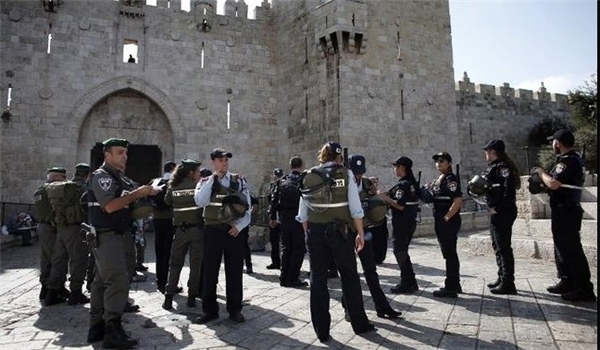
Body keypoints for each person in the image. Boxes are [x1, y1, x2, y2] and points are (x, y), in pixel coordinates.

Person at [296, 141, 375, 342]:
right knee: (349, 276)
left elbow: (303, 213)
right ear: (339, 157)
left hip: (316, 232)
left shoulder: (309, 175)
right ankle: (359, 323)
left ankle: (322, 331)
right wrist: (359, 232)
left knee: (318, 280)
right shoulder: (346, 174)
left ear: (322, 155)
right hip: (341, 232)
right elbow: (355, 208)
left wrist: (309, 233)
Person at [86, 138, 160, 349]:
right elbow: (109, 206)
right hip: (106, 235)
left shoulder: (120, 178)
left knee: (101, 282)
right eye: (119, 152)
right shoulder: (102, 177)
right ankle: (112, 330)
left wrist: (149, 191)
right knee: (117, 281)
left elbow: (132, 195)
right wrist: (138, 193)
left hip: (117, 234)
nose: (124, 156)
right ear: (107, 154)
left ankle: (97, 326)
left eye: (126, 153)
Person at [531, 129, 596, 302]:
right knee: (561, 247)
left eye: (553, 142)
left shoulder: (568, 161)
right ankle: (567, 280)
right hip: (563, 209)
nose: (552, 144)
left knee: (571, 249)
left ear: (558, 143)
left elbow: (553, 183)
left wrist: (540, 172)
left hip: (566, 210)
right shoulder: (572, 160)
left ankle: (584, 288)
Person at [193, 148, 251, 324]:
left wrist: (238, 226)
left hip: (232, 232)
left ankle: (235, 310)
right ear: (213, 162)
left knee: (234, 272)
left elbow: (248, 208)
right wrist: (212, 180)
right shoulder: (205, 181)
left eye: (226, 160)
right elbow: (200, 201)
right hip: (212, 231)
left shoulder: (239, 181)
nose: (224, 163)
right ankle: (210, 310)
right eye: (220, 160)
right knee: (210, 271)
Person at [345, 154, 401, 319]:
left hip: (365, 231)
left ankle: (382, 306)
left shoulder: (367, 184)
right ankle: (348, 308)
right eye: (355, 172)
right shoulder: (343, 185)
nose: (358, 176)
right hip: (348, 232)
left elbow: (376, 204)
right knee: (349, 273)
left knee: (371, 270)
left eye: (360, 172)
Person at [44, 163, 92, 306]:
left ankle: (52, 292)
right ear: (87, 174)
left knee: (59, 259)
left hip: (61, 227)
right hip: (77, 228)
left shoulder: (63, 187)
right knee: (79, 260)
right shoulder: (83, 188)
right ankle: (76, 292)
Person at [162, 159, 206, 310]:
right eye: (197, 171)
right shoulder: (198, 186)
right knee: (195, 265)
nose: (199, 174)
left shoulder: (173, 186)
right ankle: (192, 297)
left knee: (175, 264)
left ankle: (168, 297)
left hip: (180, 231)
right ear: (191, 172)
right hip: (196, 231)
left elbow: (167, 201)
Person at [478, 140, 520, 295]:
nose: (485, 154)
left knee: (503, 248)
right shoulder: (494, 168)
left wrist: (497, 208)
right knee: (497, 246)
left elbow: (508, 192)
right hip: (497, 212)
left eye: (486, 151)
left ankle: (509, 283)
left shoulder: (503, 168)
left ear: (492, 151)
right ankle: (502, 277)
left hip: (503, 212)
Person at [378, 156, 420, 294]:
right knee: (403, 251)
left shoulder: (403, 185)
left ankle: (406, 282)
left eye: (396, 166)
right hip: (410, 221)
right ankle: (411, 281)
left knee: (399, 251)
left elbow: (400, 205)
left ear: (402, 168)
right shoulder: (411, 183)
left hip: (402, 221)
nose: (394, 169)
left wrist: (385, 198)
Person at [426, 152, 463, 298]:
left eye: (442, 161)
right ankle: (455, 283)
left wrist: (447, 217)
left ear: (449, 163)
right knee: (448, 253)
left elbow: (458, 200)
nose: (438, 163)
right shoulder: (440, 179)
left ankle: (451, 286)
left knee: (450, 254)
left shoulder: (450, 179)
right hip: (441, 219)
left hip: (447, 220)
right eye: (436, 161)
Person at [269, 156, 308, 287]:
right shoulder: (304, 179)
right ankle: (292, 277)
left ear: (290, 166)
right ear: (301, 165)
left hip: (284, 218)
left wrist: (272, 217)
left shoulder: (282, 181)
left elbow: (273, 200)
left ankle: (283, 277)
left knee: (286, 247)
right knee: (299, 248)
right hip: (299, 217)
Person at [33, 167, 68, 300]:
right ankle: (53, 288)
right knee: (58, 258)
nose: (65, 180)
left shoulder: (39, 190)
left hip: (43, 225)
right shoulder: (52, 190)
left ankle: (45, 287)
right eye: (63, 178)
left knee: (46, 256)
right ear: (56, 177)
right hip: (52, 226)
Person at [150, 160, 177, 294]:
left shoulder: (154, 182)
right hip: (170, 221)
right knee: (169, 253)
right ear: (173, 169)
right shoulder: (174, 183)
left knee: (159, 252)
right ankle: (167, 282)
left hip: (157, 220)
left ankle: (159, 281)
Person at [266, 168, 283, 270]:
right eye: (276, 176)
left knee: (283, 242)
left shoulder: (283, 186)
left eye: (279, 176)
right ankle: (275, 261)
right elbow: (271, 203)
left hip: (281, 218)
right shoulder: (272, 186)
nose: (277, 178)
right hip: (274, 217)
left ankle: (282, 262)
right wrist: (271, 217)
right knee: (274, 241)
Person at [241, 195, 259, 274]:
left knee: (243, 245)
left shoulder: (245, 194)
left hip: (242, 223)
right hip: (242, 222)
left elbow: (255, 204)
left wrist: (249, 215)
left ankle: (248, 266)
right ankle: (247, 266)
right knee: (243, 245)